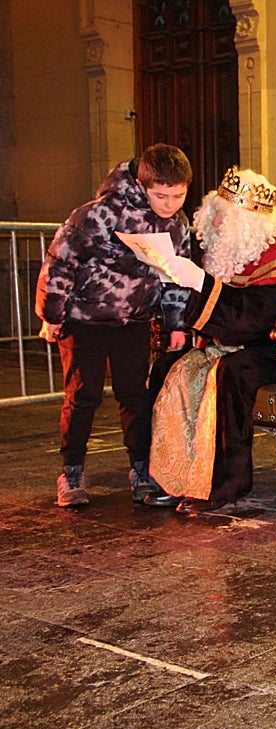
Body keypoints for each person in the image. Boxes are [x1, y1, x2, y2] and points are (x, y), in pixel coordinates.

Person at [141, 166, 276, 513]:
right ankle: (172, 478)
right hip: (243, 340)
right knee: (170, 367)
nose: (213, 225)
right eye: (213, 214)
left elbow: (254, 318)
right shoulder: (229, 252)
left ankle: (222, 486)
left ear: (247, 223)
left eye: (222, 218)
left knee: (228, 374)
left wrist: (200, 283)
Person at [35, 144, 193, 508]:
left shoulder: (177, 226)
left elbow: (175, 278)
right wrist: (52, 315)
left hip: (134, 320)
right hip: (85, 319)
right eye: (160, 195)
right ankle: (71, 471)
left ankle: (140, 469)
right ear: (141, 184)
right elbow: (60, 264)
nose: (169, 204)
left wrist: (176, 324)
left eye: (178, 195)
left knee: (134, 395)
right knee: (83, 395)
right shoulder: (99, 215)